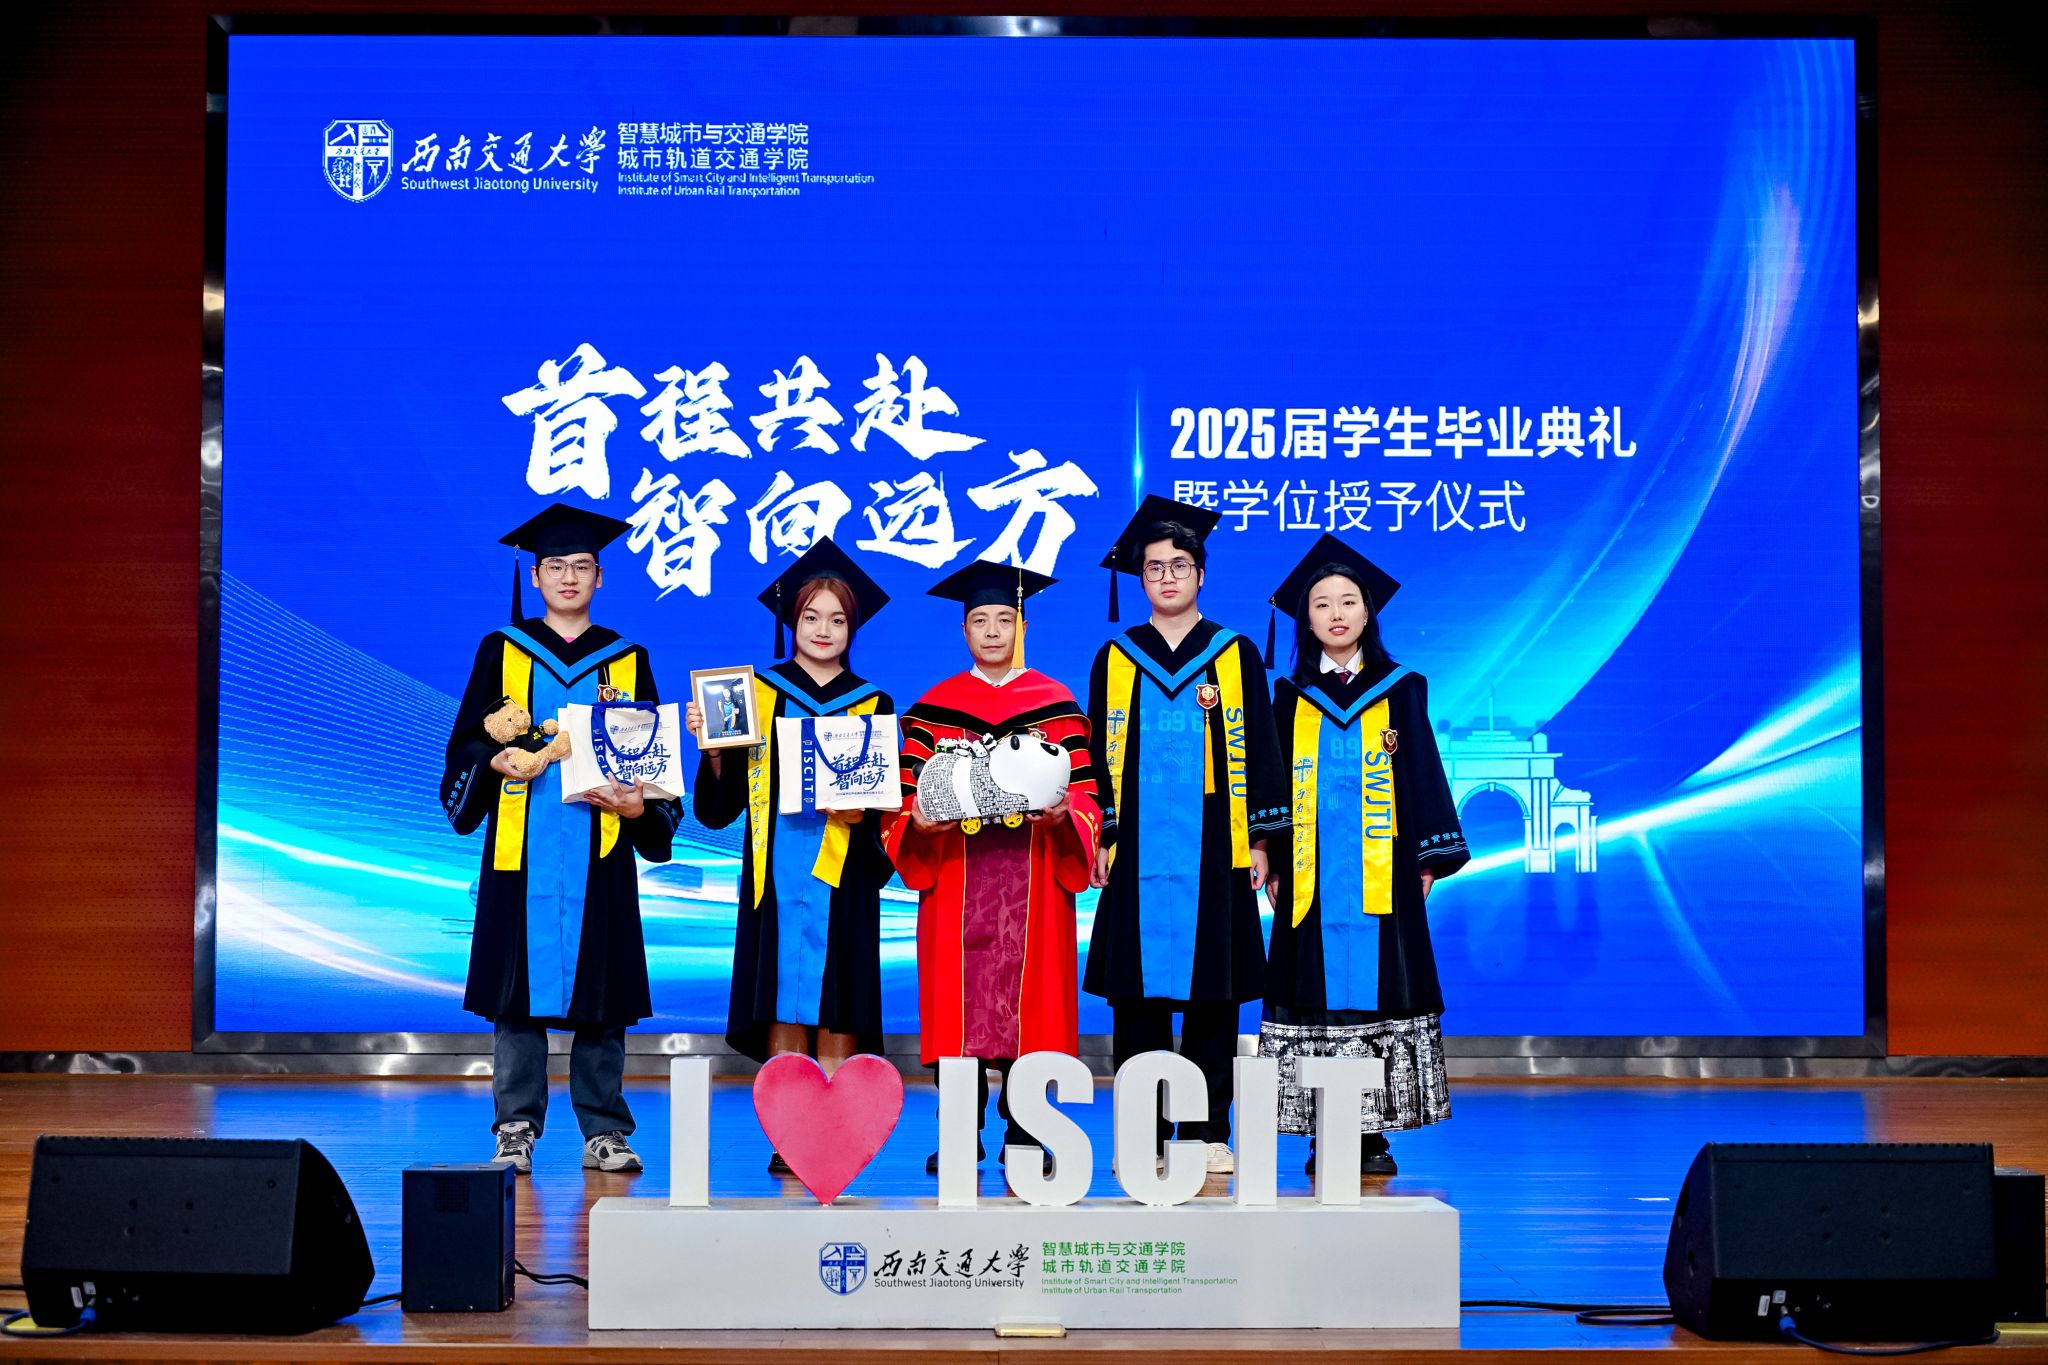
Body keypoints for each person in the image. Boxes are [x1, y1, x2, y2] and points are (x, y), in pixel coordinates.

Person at [439, 503, 681, 1175]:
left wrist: (641, 805)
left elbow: (654, 761)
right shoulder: (501, 650)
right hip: (520, 850)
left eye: (581, 566)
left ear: (600, 577)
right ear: (536, 575)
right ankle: (515, 1127)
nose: (568, 576)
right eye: (555, 565)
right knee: (516, 996)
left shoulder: (627, 659)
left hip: (600, 851)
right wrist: (492, 759)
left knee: (603, 1000)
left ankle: (605, 1130)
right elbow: (464, 744)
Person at [1083, 496, 1288, 1175]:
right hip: (1138, 846)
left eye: (1179, 565)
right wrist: (1104, 834)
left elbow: (1262, 750)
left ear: (1201, 573)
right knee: (1137, 997)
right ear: (1139, 578)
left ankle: (1205, 1129)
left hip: (1216, 847)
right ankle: (1140, 1133)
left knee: (1213, 995)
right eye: (1153, 567)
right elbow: (1097, 753)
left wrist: (1261, 841)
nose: (1166, 577)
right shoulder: (1116, 657)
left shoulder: (1235, 653)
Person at [885, 561, 1103, 1177]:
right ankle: (958, 1131)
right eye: (979, 620)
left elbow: (1087, 794)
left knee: (1033, 1005)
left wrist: (1065, 814)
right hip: (957, 878)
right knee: (958, 1006)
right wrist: (918, 821)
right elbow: (907, 798)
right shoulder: (934, 709)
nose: (991, 631)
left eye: (1003, 619)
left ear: (1022, 627)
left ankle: (1026, 1129)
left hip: (1036, 876)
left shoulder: (1056, 706)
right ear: (963, 630)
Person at [1258, 535, 1468, 1177]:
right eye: (1322, 604)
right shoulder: (1289, 695)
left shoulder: (1403, 688)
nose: (1337, 614)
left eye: (1349, 601)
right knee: (1315, 993)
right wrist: (1270, 852)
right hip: (1310, 875)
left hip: (1385, 871)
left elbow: (1423, 772)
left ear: (1368, 611)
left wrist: (1427, 859)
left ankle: (1371, 1134)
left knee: (1380, 994)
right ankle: (1325, 1127)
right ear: (1305, 618)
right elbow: (1270, 782)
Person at [688, 539, 895, 1175]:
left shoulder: (874, 703)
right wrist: (713, 753)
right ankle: (792, 1131)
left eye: (837, 619)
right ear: (791, 621)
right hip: (773, 872)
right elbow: (720, 807)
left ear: (852, 628)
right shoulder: (753, 694)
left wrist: (863, 817)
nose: (823, 630)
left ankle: (835, 1128)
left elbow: (885, 811)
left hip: (843, 874)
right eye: (811, 617)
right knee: (781, 998)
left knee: (837, 999)